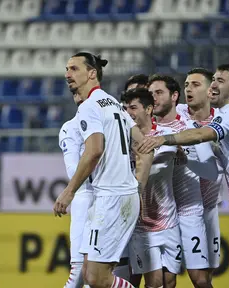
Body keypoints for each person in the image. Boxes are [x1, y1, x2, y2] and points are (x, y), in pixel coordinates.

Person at [139, 64, 229, 288]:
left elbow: (202, 133)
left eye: (220, 81)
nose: (213, 85)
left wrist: (164, 139)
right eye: (213, 79)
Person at [54, 52, 154, 288]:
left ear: (92, 73)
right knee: (91, 274)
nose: (68, 74)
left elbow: (94, 150)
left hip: (111, 197)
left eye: (74, 69)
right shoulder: (114, 104)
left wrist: (68, 192)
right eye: (67, 69)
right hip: (117, 195)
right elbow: (145, 147)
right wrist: (136, 186)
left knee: (96, 278)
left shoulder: (89, 106)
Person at [148, 74, 218, 288]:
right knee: (164, 280)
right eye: (150, 94)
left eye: (159, 93)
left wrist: (185, 160)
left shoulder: (191, 128)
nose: (154, 98)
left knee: (200, 279)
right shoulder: (146, 130)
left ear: (174, 96)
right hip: (160, 214)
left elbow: (212, 172)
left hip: (189, 212)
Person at [123, 88, 182, 288]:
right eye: (125, 108)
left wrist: (142, 158)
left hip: (169, 220)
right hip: (141, 226)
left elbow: (160, 165)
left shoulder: (165, 135)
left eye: (133, 107)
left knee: (170, 281)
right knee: (154, 281)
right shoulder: (123, 140)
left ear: (148, 109)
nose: (128, 113)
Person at [59, 91, 94, 288]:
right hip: (85, 198)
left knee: (101, 272)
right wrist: (94, 154)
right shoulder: (69, 128)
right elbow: (73, 171)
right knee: (80, 271)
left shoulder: (109, 124)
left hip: (110, 199)